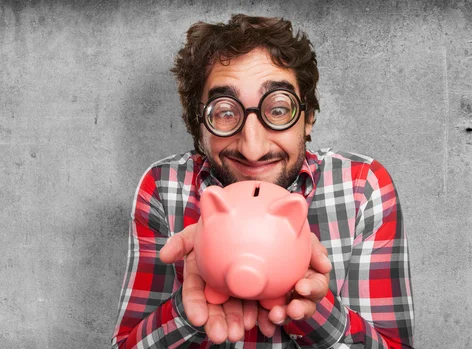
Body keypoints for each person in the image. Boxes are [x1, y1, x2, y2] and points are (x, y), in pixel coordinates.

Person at [111, 14, 414, 348]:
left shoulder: (361, 186)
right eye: (225, 112)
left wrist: (313, 309)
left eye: (278, 109)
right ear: (197, 125)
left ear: (308, 115)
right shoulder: (164, 187)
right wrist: (187, 310)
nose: (252, 149)